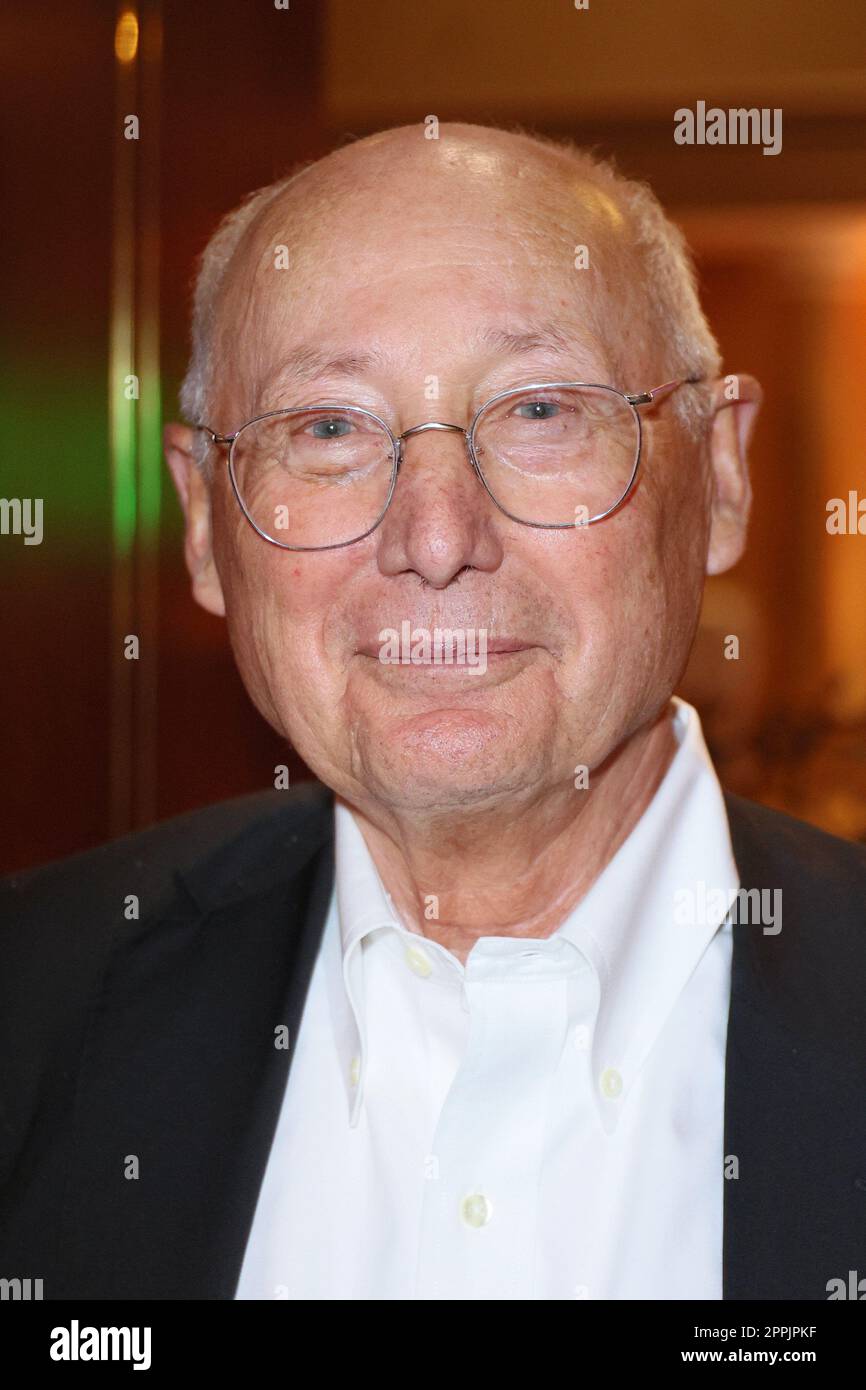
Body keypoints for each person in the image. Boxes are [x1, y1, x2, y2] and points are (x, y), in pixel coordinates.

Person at [2, 123, 864, 1301]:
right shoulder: (36, 1000)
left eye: (539, 410)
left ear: (717, 475)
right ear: (203, 523)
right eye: (327, 429)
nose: (436, 538)